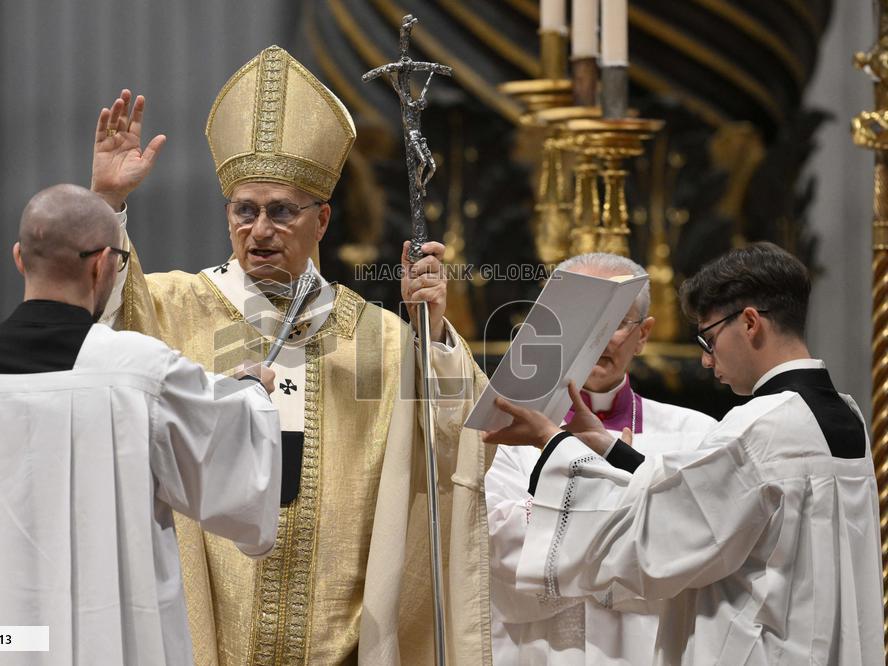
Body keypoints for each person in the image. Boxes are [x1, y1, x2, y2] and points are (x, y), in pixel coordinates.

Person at [89, 46, 492, 664]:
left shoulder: (381, 336)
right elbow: (104, 326)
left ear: (323, 218)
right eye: (244, 211)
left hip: (344, 637)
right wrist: (109, 204)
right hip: (211, 629)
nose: (260, 230)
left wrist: (433, 330)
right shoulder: (177, 307)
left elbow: (456, 437)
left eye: (281, 211)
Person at [0, 184, 282, 665]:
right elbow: (234, 472)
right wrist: (253, 391)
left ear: (19, 259)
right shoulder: (139, 372)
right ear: (104, 265)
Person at [486, 242, 884, 664]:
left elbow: (654, 540)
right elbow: (695, 499)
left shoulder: (760, 427)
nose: (707, 361)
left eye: (708, 338)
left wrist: (553, 443)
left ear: (749, 323)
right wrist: (608, 449)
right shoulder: (843, 414)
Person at [485, 252, 716, 665]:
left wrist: (568, 516)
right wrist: (626, 513)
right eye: (581, 321)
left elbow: (692, 556)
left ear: (643, 334)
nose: (597, 337)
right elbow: (501, 550)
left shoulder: (697, 436)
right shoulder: (504, 435)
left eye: (615, 322)